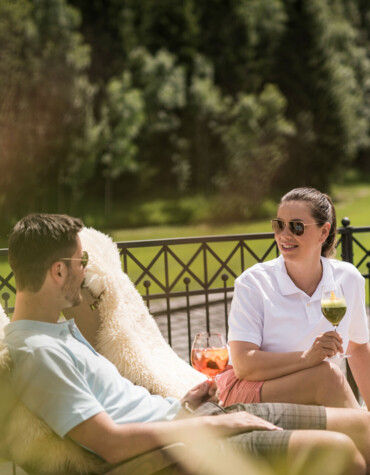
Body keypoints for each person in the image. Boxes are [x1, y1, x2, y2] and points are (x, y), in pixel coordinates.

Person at [3, 213, 370, 475]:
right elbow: (110, 443)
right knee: (339, 455)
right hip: (188, 446)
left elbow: (117, 406)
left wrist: (185, 406)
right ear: (59, 271)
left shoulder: (56, 332)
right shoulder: (38, 352)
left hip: (196, 419)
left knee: (363, 429)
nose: (86, 270)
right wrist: (209, 427)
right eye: (81, 260)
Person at [217, 187, 370, 411]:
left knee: (326, 379)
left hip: (314, 391)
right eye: (279, 225)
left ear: (323, 232)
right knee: (327, 377)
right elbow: (242, 365)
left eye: (297, 227)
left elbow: (357, 349)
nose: (284, 235)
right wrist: (308, 357)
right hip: (249, 389)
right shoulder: (253, 283)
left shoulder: (348, 279)